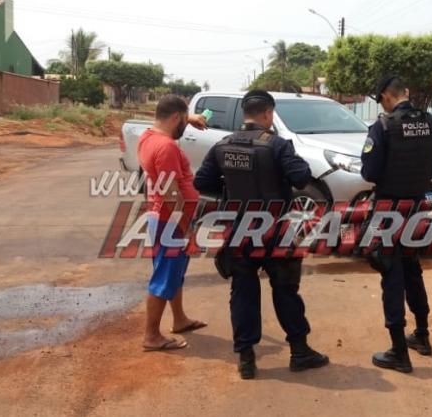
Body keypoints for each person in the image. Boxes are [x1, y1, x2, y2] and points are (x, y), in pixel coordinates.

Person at [193, 90, 329, 379]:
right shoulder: (278, 145)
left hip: (239, 229)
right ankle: (300, 351)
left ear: (246, 113)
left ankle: (246, 358)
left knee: (242, 291)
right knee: (285, 290)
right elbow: (302, 178)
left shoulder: (223, 145)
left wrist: (231, 195)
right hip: (274, 230)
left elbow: (201, 181)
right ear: (268, 114)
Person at [360, 75, 432, 373]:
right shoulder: (431, 122)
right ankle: (421, 336)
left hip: (388, 210)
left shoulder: (383, 127)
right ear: (405, 92)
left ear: (385, 96)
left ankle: (399, 351)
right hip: (417, 208)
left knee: (391, 273)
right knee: (413, 269)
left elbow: (369, 173)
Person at [137, 94, 209, 351]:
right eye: (184, 122)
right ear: (176, 118)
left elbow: (168, 117)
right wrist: (186, 228)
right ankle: (151, 336)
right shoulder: (166, 147)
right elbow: (171, 193)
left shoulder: (148, 136)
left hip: (163, 218)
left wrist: (188, 118)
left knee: (174, 274)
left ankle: (179, 320)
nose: (186, 128)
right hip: (170, 221)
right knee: (164, 278)